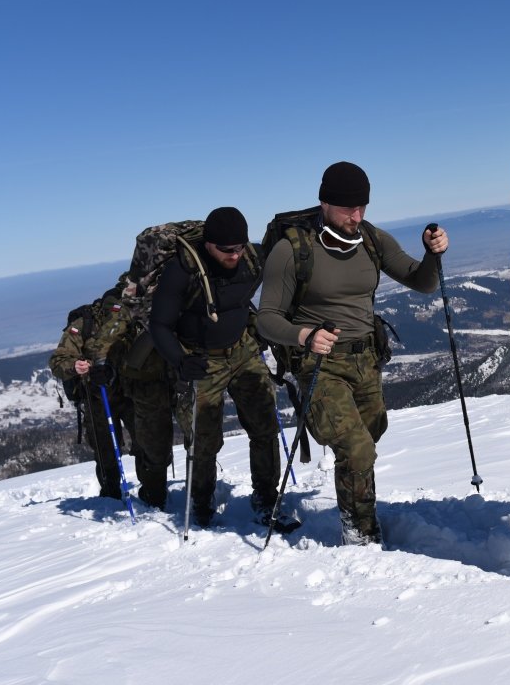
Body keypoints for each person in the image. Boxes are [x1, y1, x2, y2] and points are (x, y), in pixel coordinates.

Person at [257, 161, 449, 546]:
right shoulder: (292, 249)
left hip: (366, 360)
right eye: (348, 208)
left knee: (367, 441)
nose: (356, 215)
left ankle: (362, 515)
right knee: (357, 448)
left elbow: (423, 282)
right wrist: (304, 334)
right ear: (325, 203)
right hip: (320, 363)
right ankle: (360, 535)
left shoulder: (372, 239)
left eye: (362, 206)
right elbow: (266, 318)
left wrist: (432, 254)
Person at [148, 206, 294, 530]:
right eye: (227, 250)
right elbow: (158, 324)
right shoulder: (182, 271)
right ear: (209, 244)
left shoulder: (252, 258)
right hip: (199, 358)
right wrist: (180, 360)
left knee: (265, 425)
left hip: (242, 349)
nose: (235, 255)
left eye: (240, 247)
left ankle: (267, 499)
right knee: (203, 439)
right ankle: (201, 503)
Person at [49, 278, 136, 499]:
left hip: (131, 393)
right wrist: (75, 366)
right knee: (106, 453)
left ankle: (152, 493)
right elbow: (58, 361)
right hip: (97, 397)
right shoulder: (84, 324)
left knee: (148, 446)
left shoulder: (135, 317)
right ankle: (110, 496)